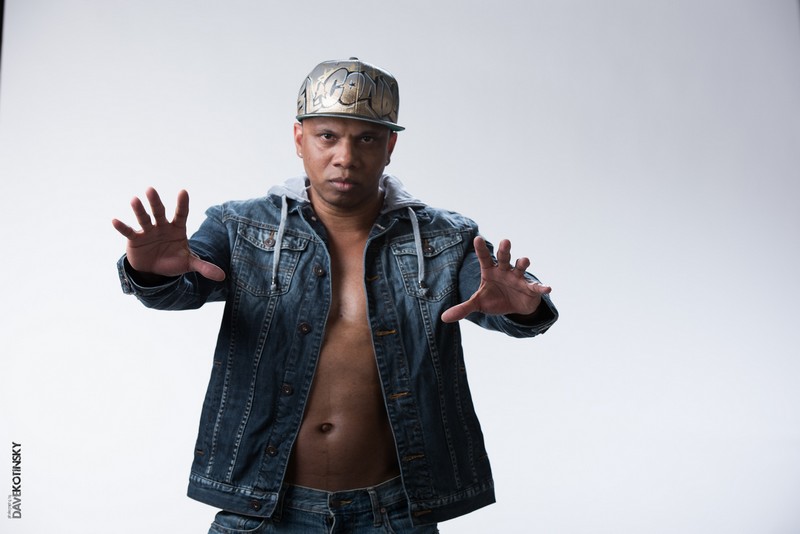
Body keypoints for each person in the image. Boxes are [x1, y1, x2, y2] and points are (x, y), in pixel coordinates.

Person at [113, 58, 558, 533]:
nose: (345, 156)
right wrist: (150, 273)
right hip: (262, 512)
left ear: (389, 146)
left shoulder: (444, 238)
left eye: (366, 138)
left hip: (393, 515)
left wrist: (524, 308)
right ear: (299, 139)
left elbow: (494, 296)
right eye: (327, 136)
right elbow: (181, 289)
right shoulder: (240, 226)